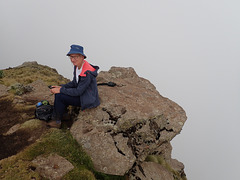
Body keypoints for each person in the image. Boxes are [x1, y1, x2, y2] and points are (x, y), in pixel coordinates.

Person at [47, 44, 100, 128]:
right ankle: (63, 114)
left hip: (87, 99)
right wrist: (61, 87)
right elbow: (75, 83)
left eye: (76, 57)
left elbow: (78, 91)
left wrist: (61, 90)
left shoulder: (87, 72)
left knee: (60, 96)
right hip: (83, 94)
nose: (72, 60)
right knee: (60, 93)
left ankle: (57, 121)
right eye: (71, 57)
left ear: (82, 57)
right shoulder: (77, 67)